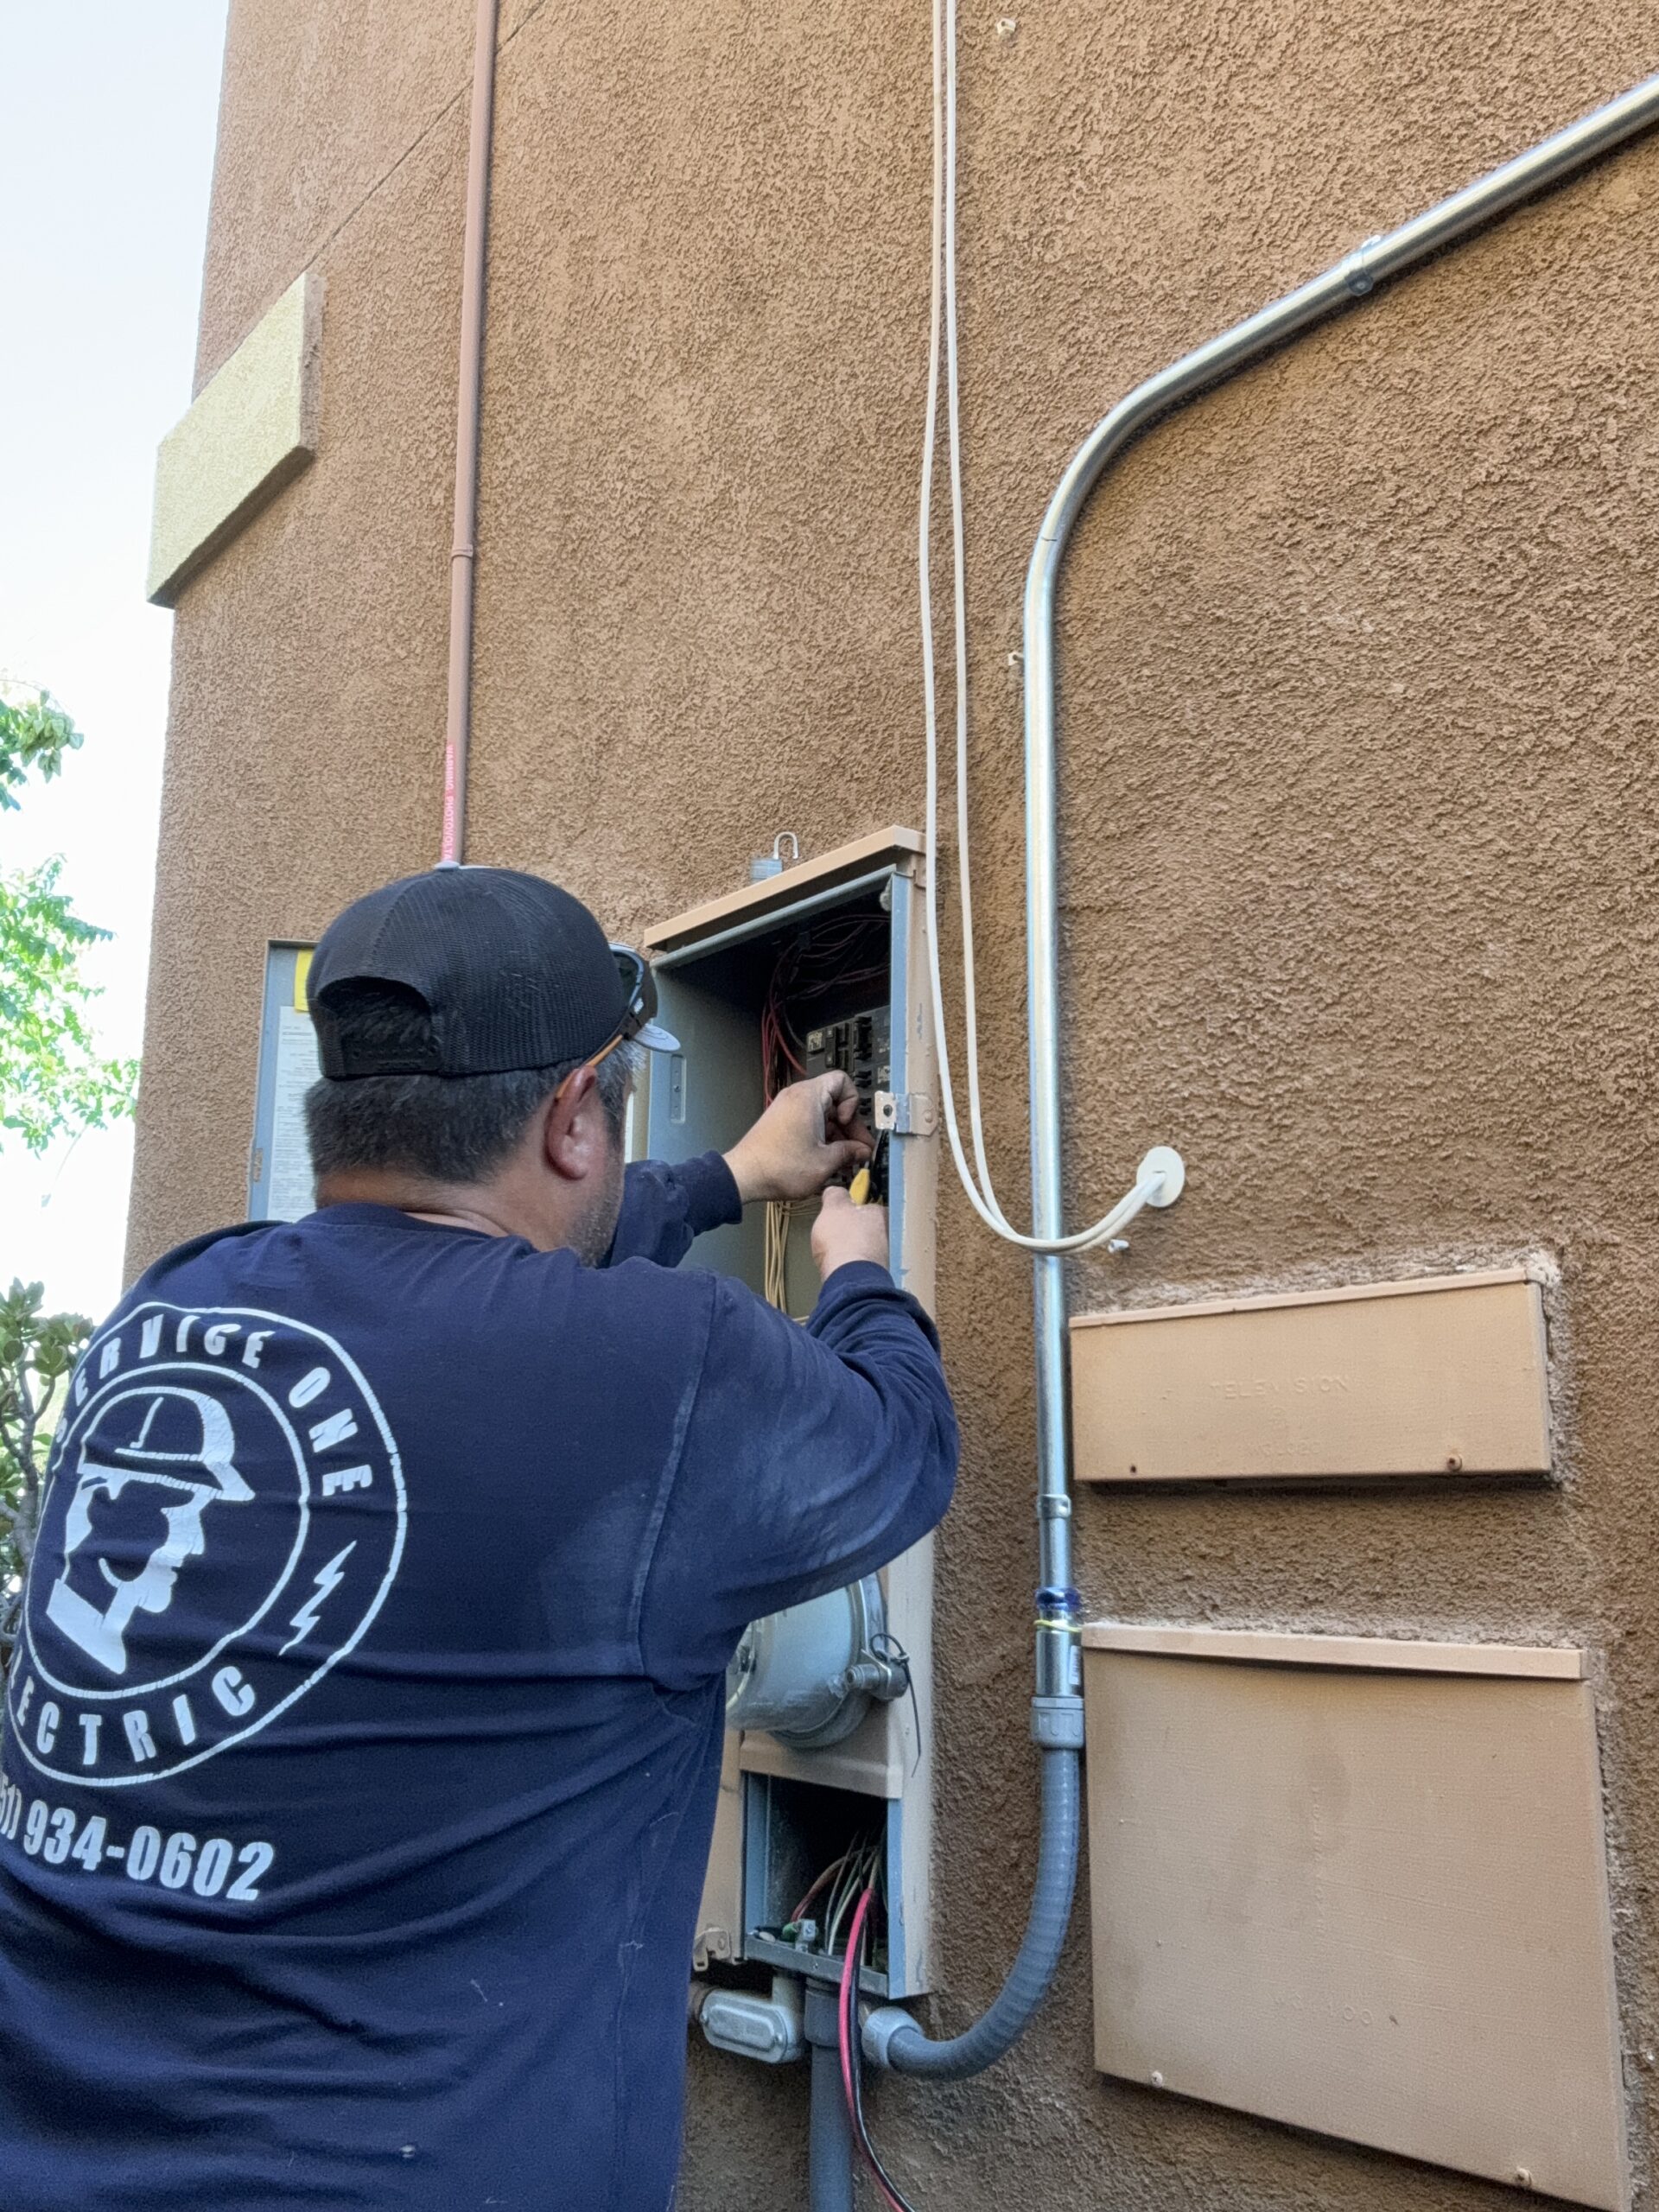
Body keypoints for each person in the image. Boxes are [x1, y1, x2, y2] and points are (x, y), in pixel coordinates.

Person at [0, 865, 957, 2212]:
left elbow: (481, 1284)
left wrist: (735, 1179)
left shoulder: (166, 1313)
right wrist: (857, 1265)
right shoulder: (660, 1372)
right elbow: (901, 1446)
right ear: (575, 1119)